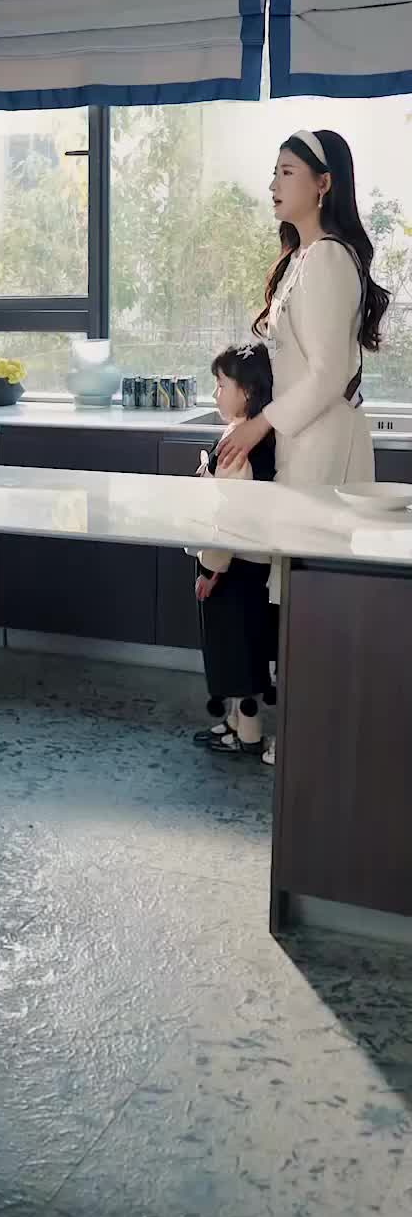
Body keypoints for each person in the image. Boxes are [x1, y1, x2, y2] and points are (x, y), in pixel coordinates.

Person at [217, 128, 389, 490]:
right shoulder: (302, 257)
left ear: (322, 184)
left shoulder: (328, 257)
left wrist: (260, 424)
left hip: (323, 441)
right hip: (304, 437)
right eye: (274, 173)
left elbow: (328, 374)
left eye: (287, 172)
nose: (273, 185)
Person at [192, 344, 278, 757]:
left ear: (247, 391)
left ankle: (247, 733)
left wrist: (211, 571)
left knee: (235, 653)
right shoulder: (259, 437)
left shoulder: (236, 445)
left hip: (232, 568)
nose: (215, 394)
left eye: (221, 385)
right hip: (252, 567)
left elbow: (227, 517)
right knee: (248, 649)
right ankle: (236, 724)